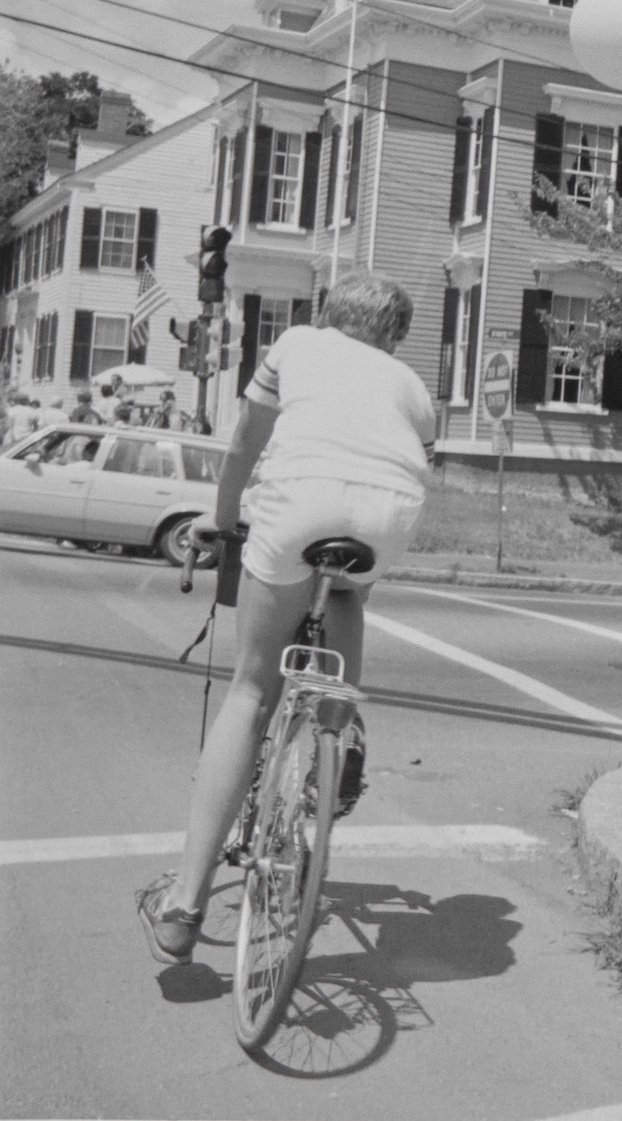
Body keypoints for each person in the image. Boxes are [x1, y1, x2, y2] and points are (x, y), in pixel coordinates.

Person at [136, 274, 436, 965]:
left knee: (250, 692)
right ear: (395, 334)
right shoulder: (411, 384)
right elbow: (417, 452)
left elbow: (246, 442)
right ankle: (340, 728)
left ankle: (184, 904)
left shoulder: (298, 342)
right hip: (390, 510)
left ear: (329, 314)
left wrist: (221, 515)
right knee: (346, 595)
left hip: (301, 495)